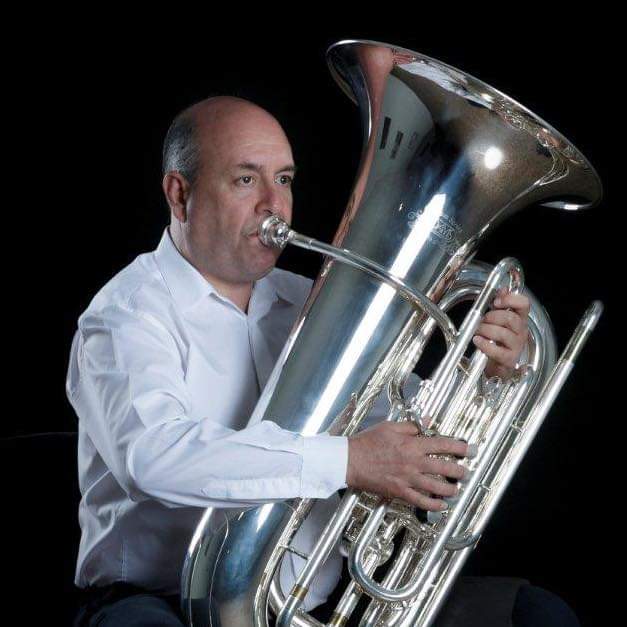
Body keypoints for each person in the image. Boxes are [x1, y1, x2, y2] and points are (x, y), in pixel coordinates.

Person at [68, 96, 577, 626]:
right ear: (180, 194)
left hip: (316, 605)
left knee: (535, 615)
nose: (274, 204)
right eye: (246, 179)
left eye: (284, 180)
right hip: (164, 603)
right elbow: (153, 457)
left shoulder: (309, 302)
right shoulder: (126, 315)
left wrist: (490, 378)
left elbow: (409, 442)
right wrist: (348, 462)